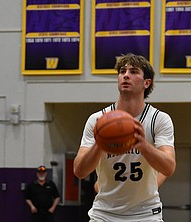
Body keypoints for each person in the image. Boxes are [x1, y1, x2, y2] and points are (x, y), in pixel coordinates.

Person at [73, 53, 176, 222]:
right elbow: (79, 170)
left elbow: (169, 167)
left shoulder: (159, 119)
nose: (126, 75)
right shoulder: (98, 120)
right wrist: (100, 144)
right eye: (122, 71)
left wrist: (143, 146)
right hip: (104, 213)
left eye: (134, 71)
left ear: (146, 83)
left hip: (145, 213)